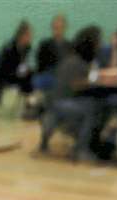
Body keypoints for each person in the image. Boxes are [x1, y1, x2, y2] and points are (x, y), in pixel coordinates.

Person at [43, 24, 105, 159]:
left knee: (91, 103)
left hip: (58, 101)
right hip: (62, 102)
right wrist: (95, 82)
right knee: (92, 107)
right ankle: (81, 149)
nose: (101, 44)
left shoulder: (75, 59)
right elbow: (76, 85)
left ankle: (85, 144)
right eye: (99, 41)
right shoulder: (76, 62)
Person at [0, 20, 34, 105]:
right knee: (27, 76)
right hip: (4, 76)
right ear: (21, 36)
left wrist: (24, 69)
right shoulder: (9, 47)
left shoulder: (27, 47)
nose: (30, 37)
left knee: (31, 74)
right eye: (28, 35)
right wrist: (22, 70)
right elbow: (4, 68)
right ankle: (29, 100)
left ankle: (29, 100)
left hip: (16, 74)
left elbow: (23, 63)